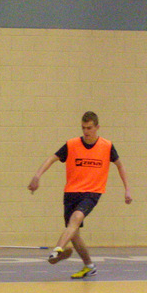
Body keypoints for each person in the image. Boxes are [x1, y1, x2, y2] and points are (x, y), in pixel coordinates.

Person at [28, 111, 133, 279]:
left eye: (89, 128)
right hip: (71, 192)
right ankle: (89, 266)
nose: (86, 131)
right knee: (74, 234)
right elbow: (52, 159)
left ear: (97, 127)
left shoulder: (107, 146)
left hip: (92, 192)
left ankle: (57, 249)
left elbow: (120, 165)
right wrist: (37, 176)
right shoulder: (72, 144)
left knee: (76, 218)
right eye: (83, 128)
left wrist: (127, 189)